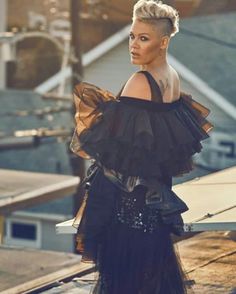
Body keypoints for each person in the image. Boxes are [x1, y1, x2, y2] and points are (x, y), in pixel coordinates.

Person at [70, 0, 214, 293]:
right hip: (152, 215)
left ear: (163, 42)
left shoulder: (140, 81)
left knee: (123, 283)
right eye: (132, 36)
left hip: (127, 214)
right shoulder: (171, 78)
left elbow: (115, 157)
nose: (134, 45)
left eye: (143, 38)